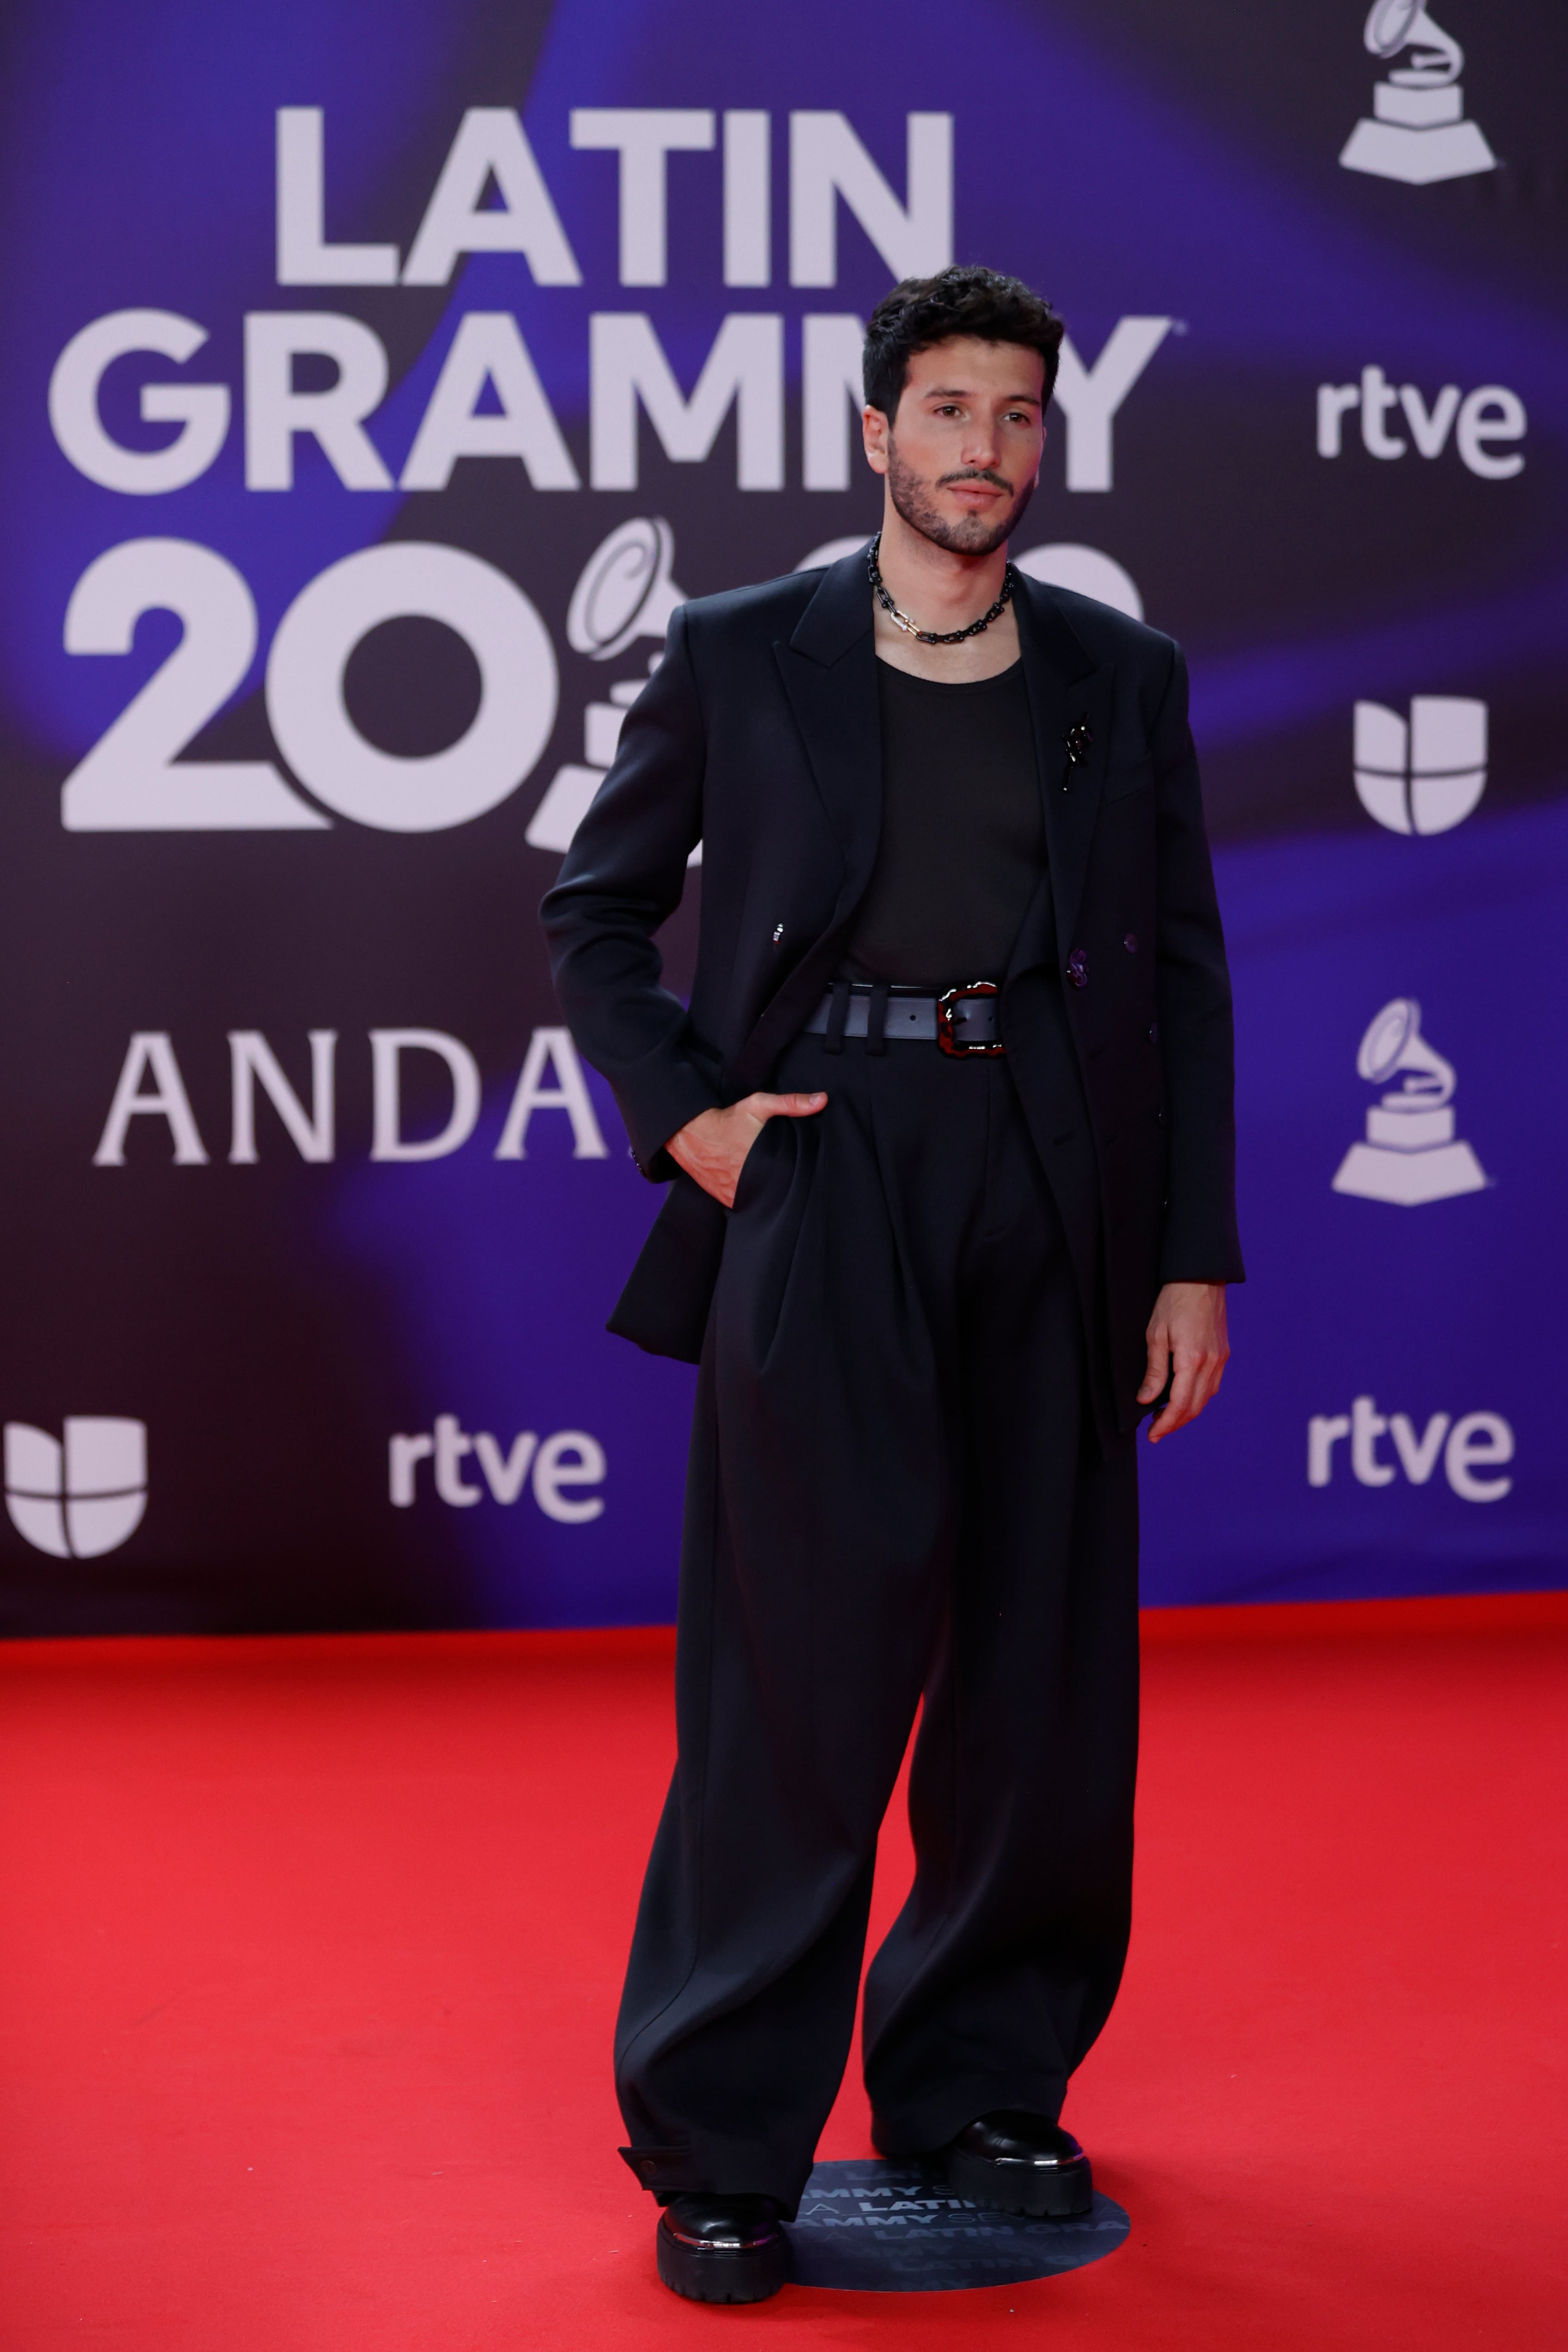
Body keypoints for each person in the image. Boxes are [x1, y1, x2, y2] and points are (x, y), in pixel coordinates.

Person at [542, 263, 1242, 2307]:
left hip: (1048, 1177)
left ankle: (975, 2083)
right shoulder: (742, 651)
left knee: (1033, 1680)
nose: (982, 452)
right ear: (873, 435)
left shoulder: (1122, 672)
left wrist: (1187, 1251)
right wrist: (693, 1120)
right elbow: (594, 912)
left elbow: (1179, 980)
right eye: (946, 412)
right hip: (821, 1170)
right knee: (794, 1683)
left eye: (1018, 416)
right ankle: (722, 2146)